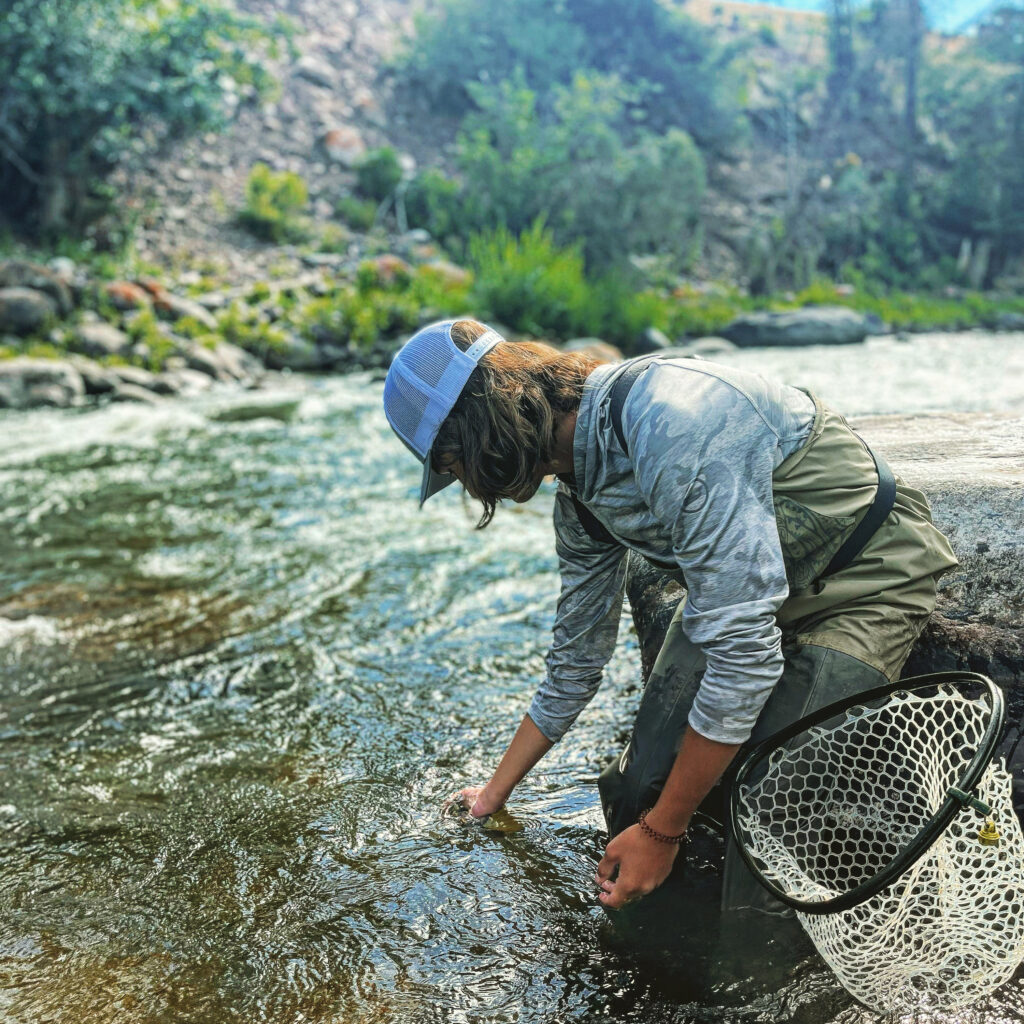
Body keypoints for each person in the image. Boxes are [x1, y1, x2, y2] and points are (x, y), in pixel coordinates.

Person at [382, 317, 958, 913]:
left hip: (864, 573)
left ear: (482, 425)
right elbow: (575, 663)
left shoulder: (670, 421)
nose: (468, 486)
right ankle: (655, 936)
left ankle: (748, 989)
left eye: (452, 464)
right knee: (633, 787)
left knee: (773, 814)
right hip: (744, 587)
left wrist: (662, 833)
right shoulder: (579, 500)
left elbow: (743, 657)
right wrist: (492, 797)